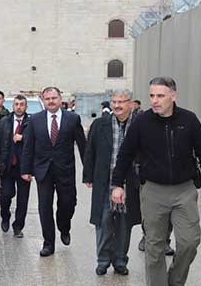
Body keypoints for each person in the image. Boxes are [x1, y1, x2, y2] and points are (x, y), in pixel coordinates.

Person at [111, 77, 201, 286]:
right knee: (154, 245)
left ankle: (175, 281)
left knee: (189, 242)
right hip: (153, 191)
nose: (155, 100)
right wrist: (117, 185)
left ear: (173, 96)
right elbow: (125, 154)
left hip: (184, 190)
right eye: (152, 96)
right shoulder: (142, 122)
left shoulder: (189, 120)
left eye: (160, 95)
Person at [21, 86, 86, 257]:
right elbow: (28, 146)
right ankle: (48, 243)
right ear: (43, 100)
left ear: (60, 99)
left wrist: (89, 172)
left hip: (65, 170)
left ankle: (64, 226)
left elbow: (83, 146)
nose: (51, 101)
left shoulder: (73, 119)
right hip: (43, 170)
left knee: (68, 203)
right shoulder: (35, 119)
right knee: (44, 207)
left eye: (54, 98)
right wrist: (26, 169)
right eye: (47, 98)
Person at [82, 89, 141, 276]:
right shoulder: (100, 124)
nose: (117, 105)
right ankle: (103, 260)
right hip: (104, 180)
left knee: (125, 223)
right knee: (103, 220)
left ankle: (120, 260)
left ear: (130, 103)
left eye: (121, 101)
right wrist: (88, 176)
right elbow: (89, 151)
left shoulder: (140, 125)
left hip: (130, 181)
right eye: (114, 101)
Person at [0, 95, 31, 238]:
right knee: (5, 196)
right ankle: (5, 217)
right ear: (13, 106)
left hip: (24, 168)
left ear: (26, 107)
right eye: (16, 104)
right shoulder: (4, 123)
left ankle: (18, 226)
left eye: (22, 104)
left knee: (23, 200)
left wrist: (24, 138)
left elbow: (39, 142)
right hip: (7, 166)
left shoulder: (31, 123)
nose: (19, 107)